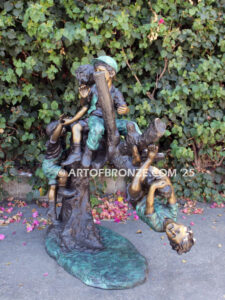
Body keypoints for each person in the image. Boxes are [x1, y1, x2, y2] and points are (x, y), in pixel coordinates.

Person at [61, 56, 142, 167]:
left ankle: (141, 149)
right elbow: (85, 105)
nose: (97, 74)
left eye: (101, 71)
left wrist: (124, 110)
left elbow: (123, 107)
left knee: (131, 124)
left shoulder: (115, 92)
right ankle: (88, 154)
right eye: (96, 71)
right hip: (95, 118)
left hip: (111, 121)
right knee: (97, 129)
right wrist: (83, 97)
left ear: (112, 73)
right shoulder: (93, 89)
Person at [128, 145, 195, 254]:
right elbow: (172, 194)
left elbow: (149, 206)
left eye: (172, 236)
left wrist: (154, 186)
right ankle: (140, 162)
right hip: (151, 193)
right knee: (167, 188)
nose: (173, 231)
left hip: (138, 200)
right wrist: (163, 179)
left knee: (135, 187)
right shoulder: (173, 214)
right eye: (177, 231)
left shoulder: (157, 226)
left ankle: (148, 160)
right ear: (184, 226)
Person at [42, 120, 77, 221]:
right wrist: (60, 124)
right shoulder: (52, 142)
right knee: (64, 174)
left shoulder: (61, 142)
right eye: (61, 129)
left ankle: (51, 211)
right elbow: (55, 134)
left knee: (53, 187)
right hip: (49, 166)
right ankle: (62, 190)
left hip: (54, 165)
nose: (64, 130)